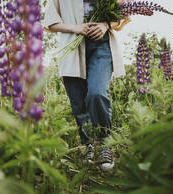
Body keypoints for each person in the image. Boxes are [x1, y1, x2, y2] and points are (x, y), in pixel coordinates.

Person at [44, 0, 129, 170]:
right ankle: (89, 144)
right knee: (78, 100)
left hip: (102, 45)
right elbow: (51, 22)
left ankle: (105, 143)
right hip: (72, 45)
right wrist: (75, 27)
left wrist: (105, 25)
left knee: (97, 93)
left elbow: (124, 13)